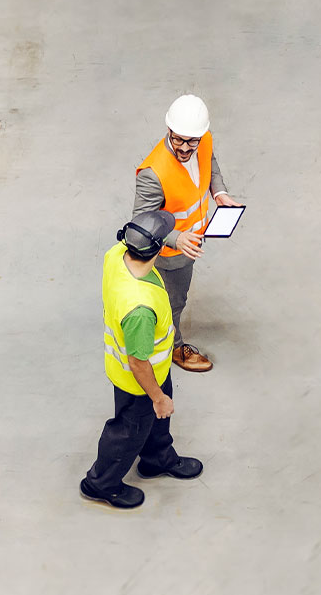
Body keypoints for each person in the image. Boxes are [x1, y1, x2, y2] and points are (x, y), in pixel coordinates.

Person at [81, 210, 205, 510]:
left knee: (157, 422)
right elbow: (137, 361)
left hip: (157, 370)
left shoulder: (116, 254)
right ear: (160, 249)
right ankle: (101, 483)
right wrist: (158, 397)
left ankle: (156, 459)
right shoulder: (139, 310)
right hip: (138, 382)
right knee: (127, 431)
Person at [134, 94, 241, 373]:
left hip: (191, 244)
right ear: (168, 130)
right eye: (177, 138)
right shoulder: (153, 173)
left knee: (174, 300)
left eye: (191, 141)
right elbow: (141, 223)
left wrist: (220, 192)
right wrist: (176, 239)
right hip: (169, 254)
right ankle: (173, 346)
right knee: (172, 302)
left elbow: (211, 163)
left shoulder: (203, 141)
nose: (184, 147)